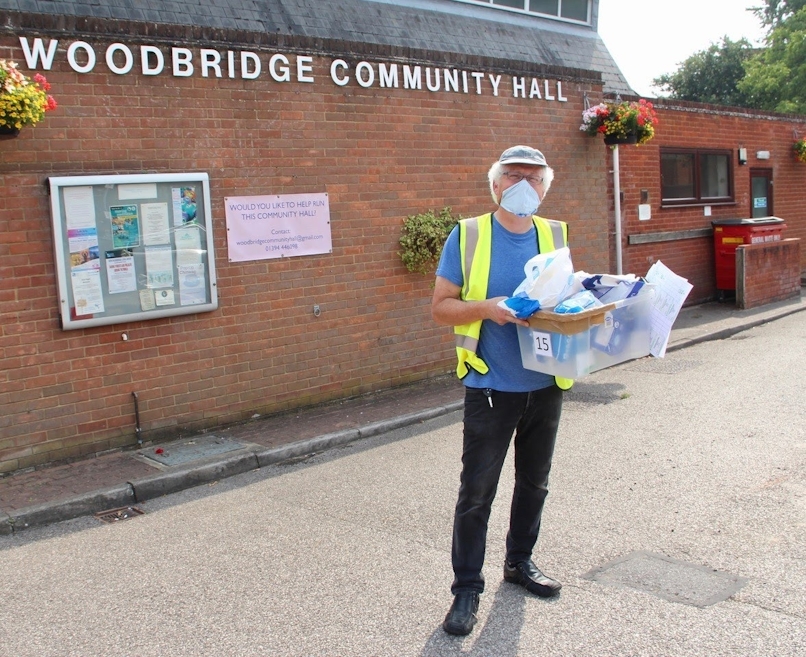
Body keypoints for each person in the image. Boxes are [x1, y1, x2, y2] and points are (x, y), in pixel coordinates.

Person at [431, 145, 572, 636]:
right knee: (477, 494)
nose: (522, 186)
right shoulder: (468, 235)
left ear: (545, 186)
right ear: (494, 185)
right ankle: (466, 588)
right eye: (513, 177)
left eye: (533, 179)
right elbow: (441, 307)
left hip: (546, 383)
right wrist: (488, 307)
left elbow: (566, 300)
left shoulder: (555, 234)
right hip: (491, 385)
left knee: (535, 482)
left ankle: (520, 562)